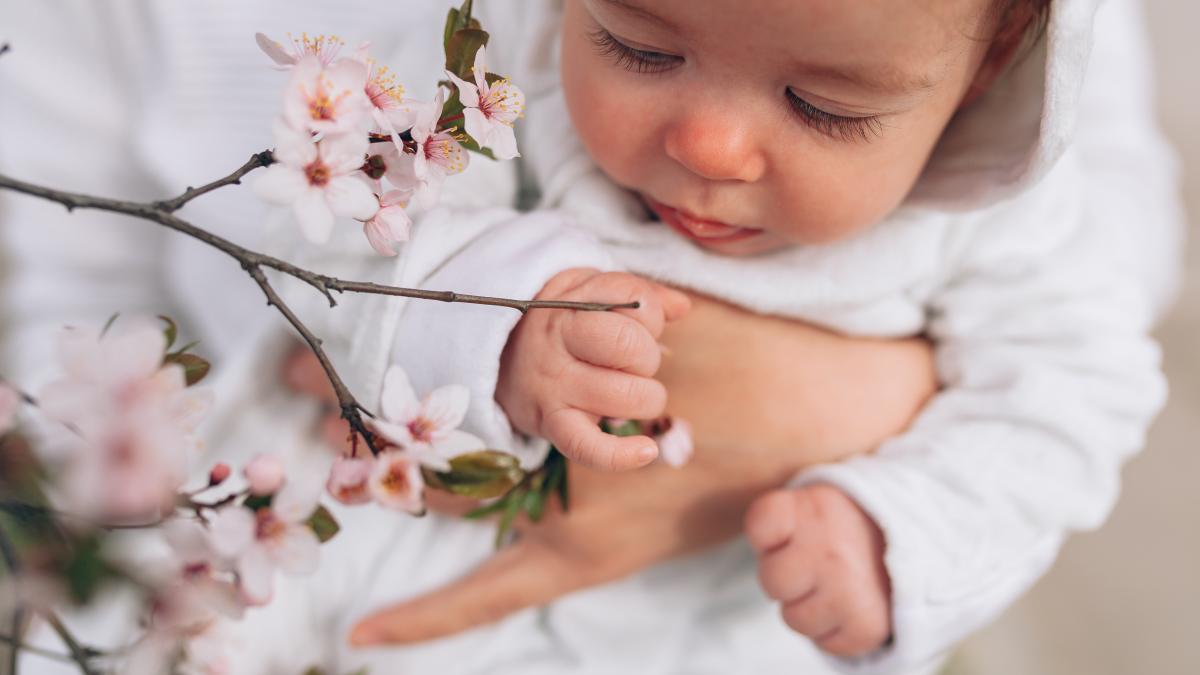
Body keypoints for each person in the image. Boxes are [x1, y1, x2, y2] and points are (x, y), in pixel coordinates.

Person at [0, 2, 1181, 675]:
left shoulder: (1012, 221)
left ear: (978, 89)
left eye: (826, 109)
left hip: (723, 628)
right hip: (365, 579)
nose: (711, 144)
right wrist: (503, 319)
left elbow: (1074, 397)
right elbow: (346, 257)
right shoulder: (496, 75)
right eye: (642, 47)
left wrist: (902, 533)